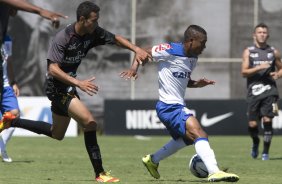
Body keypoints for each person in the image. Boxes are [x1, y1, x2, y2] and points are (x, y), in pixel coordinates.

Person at [0, 1, 150, 182]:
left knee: (57, 133)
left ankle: (12, 121)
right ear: (82, 19)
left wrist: (136, 49)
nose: (97, 23)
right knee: (90, 122)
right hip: (56, 87)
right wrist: (78, 83)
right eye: (94, 20)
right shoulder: (63, 38)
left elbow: (116, 38)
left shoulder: (92, 33)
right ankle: (100, 173)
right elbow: (52, 69)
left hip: (68, 86)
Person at [120, 25, 240, 182]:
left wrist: (197, 84)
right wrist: (134, 68)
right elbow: (143, 51)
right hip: (169, 106)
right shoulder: (170, 49)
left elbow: (184, 80)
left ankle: (152, 160)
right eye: (202, 43)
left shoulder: (193, 58)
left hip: (173, 107)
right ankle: (214, 171)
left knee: (187, 139)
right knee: (200, 134)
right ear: (190, 41)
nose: (204, 47)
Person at [0, 0, 67, 106]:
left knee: (13, 113)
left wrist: (12, 81)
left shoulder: (8, 38)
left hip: (9, 80)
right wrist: (40, 11)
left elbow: (8, 58)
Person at [241, 23, 282, 161]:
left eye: (264, 32)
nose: (262, 34)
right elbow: (244, 72)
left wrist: (278, 74)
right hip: (254, 92)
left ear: (268, 35)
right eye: (259, 32)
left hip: (270, 91)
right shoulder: (249, 51)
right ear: (254, 35)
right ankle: (255, 143)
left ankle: (265, 152)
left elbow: (281, 68)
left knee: (267, 119)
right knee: (252, 124)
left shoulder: (273, 51)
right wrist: (259, 67)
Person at [0, 35, 20, 163]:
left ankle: (1, 147)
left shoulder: (7, 39)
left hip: (6, 86)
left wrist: (13, 81)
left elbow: (9, 60)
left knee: (15, 116)